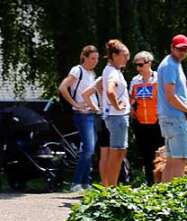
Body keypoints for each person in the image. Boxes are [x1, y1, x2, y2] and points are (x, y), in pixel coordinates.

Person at [59, 45, 101, 192]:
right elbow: (63, 87)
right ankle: (76, 182)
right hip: (82, 115)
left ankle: (85, 183)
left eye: (97, 59)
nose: (95, 61)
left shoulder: (92, 73)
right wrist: (75, 104)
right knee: (88, 148)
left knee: (89, 149)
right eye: (92, 58)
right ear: (84, 57)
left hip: (92, 113)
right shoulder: (77, 70)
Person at [156, 34, 187, 182]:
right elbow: (171, 96)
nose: (182, 52)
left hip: (168, 117)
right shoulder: (170, 65)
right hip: (175, 118)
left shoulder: (171, 63)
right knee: (181, 160)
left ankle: (166, 196)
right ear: (172, 47)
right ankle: (178, 198)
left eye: (185, 49)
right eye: (179, 49)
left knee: (171, 160)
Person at [99, 40, 131, 187]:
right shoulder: (112, 72)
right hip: (117, 117)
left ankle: (110, 186)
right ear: (115, 55)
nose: (127, 58)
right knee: (116, 153)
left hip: (115, 116)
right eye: (124, 55)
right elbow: (110, 90)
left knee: (118, 151)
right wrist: (117, 106)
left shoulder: (111, 70)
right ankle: (111, 187)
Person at [129, 51, 161, 184]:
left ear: (149, 63)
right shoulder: (135, 81)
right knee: (146, 155)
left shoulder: (159, 79)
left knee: (159, 154)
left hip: (157, 122)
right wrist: (131, 110)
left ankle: (160, 182)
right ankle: (149, 183)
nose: (138, 68)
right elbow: (131, 99)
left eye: (141, 65)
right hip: (141, 123)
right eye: (136, 65)